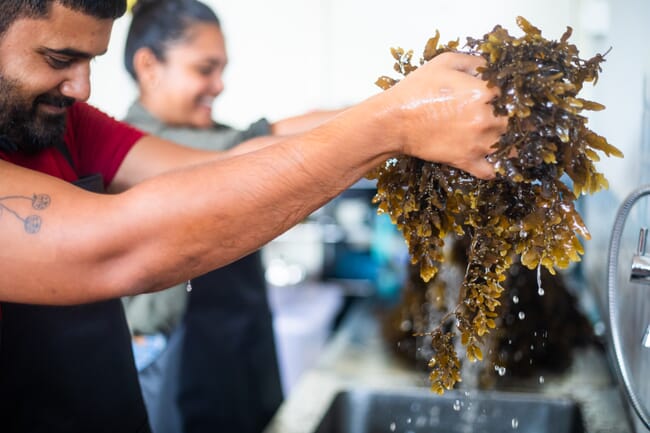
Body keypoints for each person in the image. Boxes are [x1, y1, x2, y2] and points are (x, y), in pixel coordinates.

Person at [0, 0, 506, 432]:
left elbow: (230, 163)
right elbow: (117, 248)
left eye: (90, 61)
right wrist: (394, 123)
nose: (82, 87)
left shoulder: (65, 124)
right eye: (60, 58)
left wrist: (409, 109)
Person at [120, 1, 342, 431]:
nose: (219, 85)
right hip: (183, 366)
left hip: (243, 350)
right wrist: (392, 117)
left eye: (222, 69)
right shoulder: (134, 148)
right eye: (205, 68)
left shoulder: (214, 138)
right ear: (149, 65)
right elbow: (263, 145)